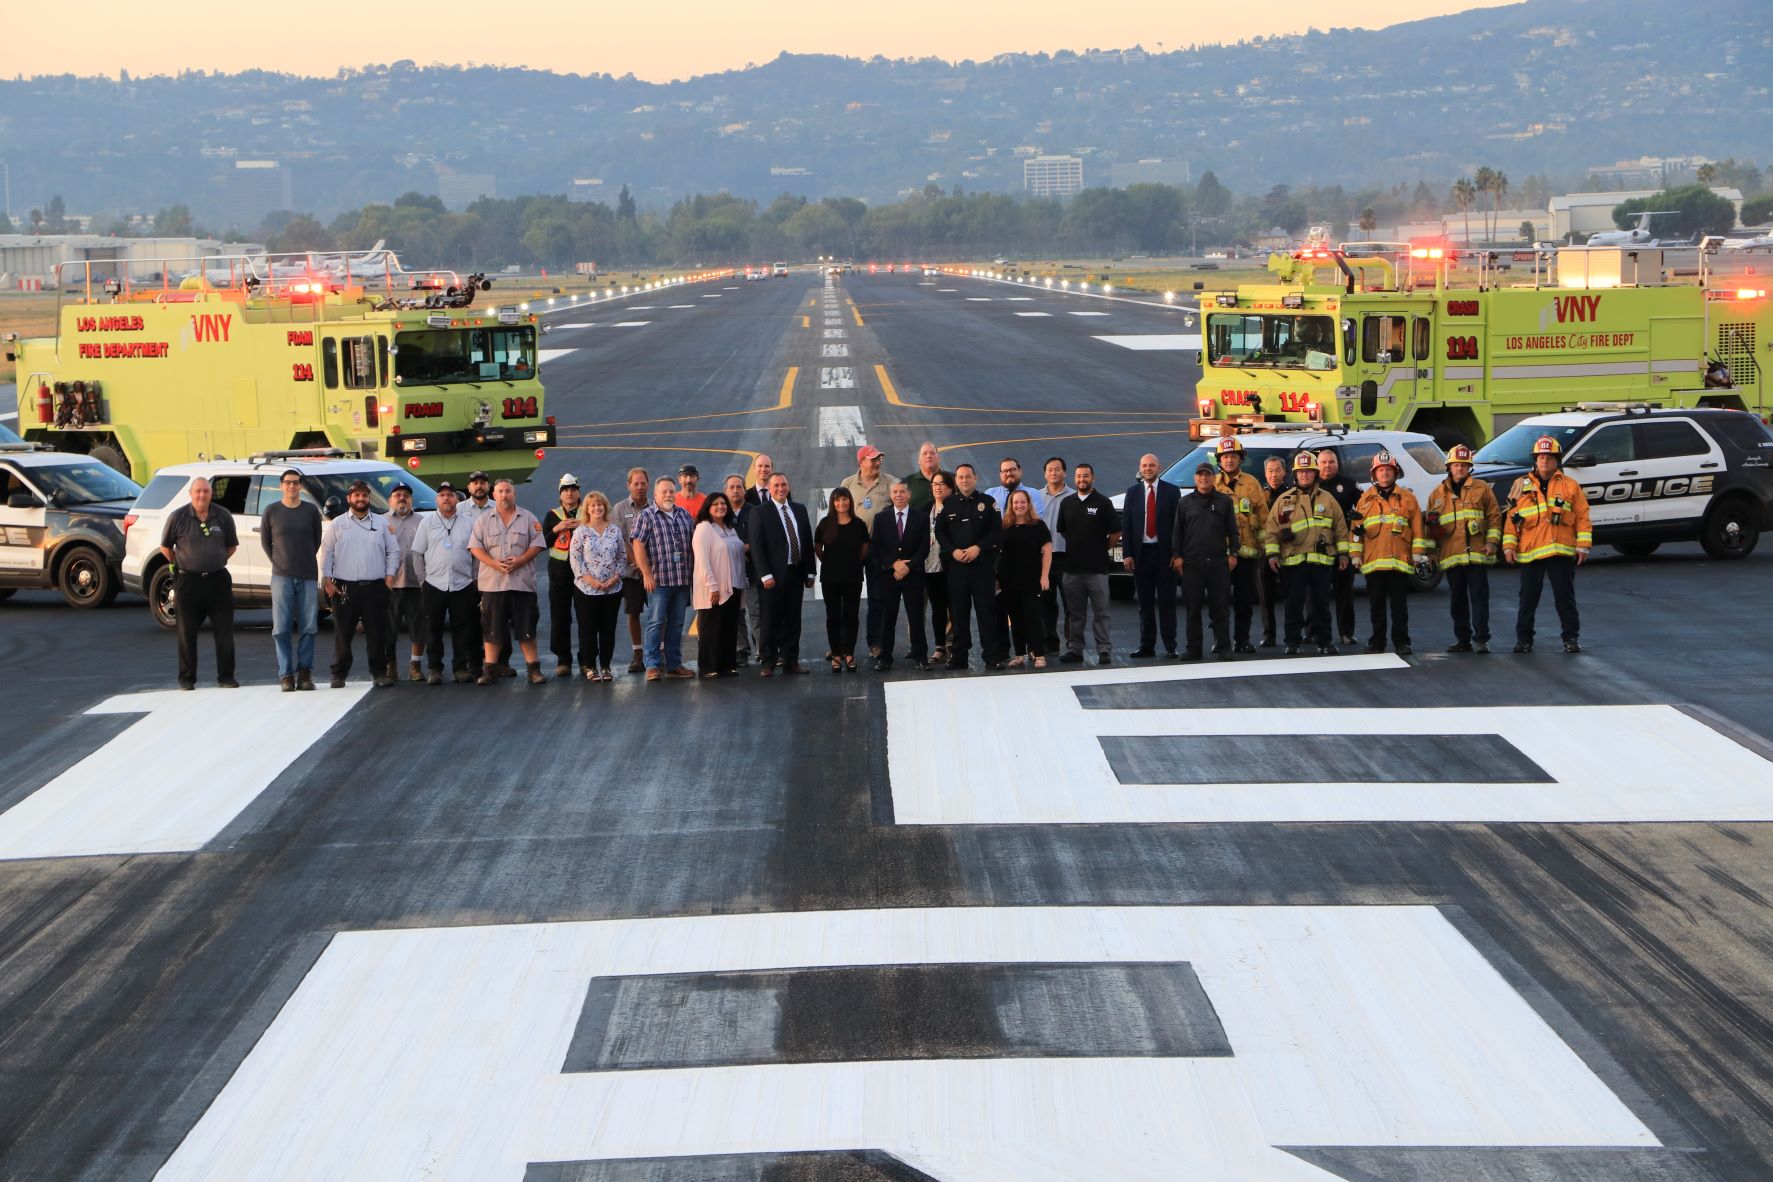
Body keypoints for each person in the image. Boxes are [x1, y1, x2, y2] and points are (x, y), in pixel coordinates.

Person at [1504, 435, 1592, 654]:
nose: (1545, 461)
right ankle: (1524, 640)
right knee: (1527, 600)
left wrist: (1583, 545)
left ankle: (1571, 638)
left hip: (1560, 551)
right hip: (1531, 552)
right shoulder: (1519, 485)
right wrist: (1508, 546)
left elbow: (1582, 516)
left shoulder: (1570, 485)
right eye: (1541, 457)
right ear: (1535, 459)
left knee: (1565, 599)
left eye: (1549, 457)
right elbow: (1511, 518)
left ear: (1557, 461)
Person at [159, 476, 240, 690]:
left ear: (211, 494)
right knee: (186, 633)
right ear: (191, 494)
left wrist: (216, 560)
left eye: (206, 491)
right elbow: (165, 547)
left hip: (218, 581)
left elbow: (231, 546)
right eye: (198, 491)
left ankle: (226, 677)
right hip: (188, 582)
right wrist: (182, 563)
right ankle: (187, 679)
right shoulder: (177, 517)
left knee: (224, 632)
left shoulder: (222, 516)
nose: (202, 495)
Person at [1266, 453, 1350, 656]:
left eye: (1308, 471)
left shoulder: (1328, 499)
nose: (1304, 475)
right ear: (1295, 475)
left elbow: (1340, 528)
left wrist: (1343, 554)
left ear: (1315, 473)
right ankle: (1292, 642)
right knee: (1293, 604)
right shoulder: (1284, 500)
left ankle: (1325, 641)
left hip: (1321, 561)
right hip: (1294, 562)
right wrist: (1272, 555)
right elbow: (1271, 530)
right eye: (1301, 472)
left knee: (1321, 604)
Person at [321, 479, 400, 688]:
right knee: (343, 633)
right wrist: (327, 580)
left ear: (368, 498)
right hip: (344, 587)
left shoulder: (381, 523)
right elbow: (327, 552)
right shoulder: (338, 524)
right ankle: (338, 674)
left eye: (364, 495)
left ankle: (379, 673)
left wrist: (390, 577)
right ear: (349, 498)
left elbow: (393, 550)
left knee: (377, 633)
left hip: (375, 587)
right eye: (356, 495)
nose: (361, 498)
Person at [467, 478, 547, 685]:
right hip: (493, 585)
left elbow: (538, 544)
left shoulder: (528, 518)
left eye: (508, 491)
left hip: (522, 584)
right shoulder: (483, 520)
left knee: (526, 629)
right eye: (500, 491)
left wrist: (520, 561)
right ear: (494, 495)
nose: (504, 495)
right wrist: (493, 564)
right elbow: (475, 547)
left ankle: (534, 670)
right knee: (491, 630)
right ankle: (490, 670)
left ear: (514, 494)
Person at [1351, 451, 1429, 656]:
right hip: (1374, 562)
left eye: (1388, 470)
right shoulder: (1365, 500)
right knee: (1376, 606)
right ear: (1374, 474)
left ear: (1395, 473)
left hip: (1399, 561)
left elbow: (1418, 529)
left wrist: (1418, 554)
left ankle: (1402, 642)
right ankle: (1377, 641)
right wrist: (1355, 555)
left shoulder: (1408, 499)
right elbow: (1356, 530)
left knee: (1399, 606)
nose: (1384, 473)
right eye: (1380, 470)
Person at [1427, 443, 1501, 654]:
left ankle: (1481, 640)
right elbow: (1429, 527)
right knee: (1457, 601)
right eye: (1456, 465)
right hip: (1451, 555)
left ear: (1469, 467)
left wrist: (1491, 543)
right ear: (1449, 467)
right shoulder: (1437, 494)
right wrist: (1430, 553)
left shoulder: (1482, 488)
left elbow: (1494, 517)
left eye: (1464, 465)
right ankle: (1462, 639)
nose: (1460, 468)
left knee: (1479, 599)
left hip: (1477, 554)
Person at [935, 463, 1006, 671]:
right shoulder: (948, 504)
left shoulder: (988, 502)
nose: (964, 480)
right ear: (956, 481)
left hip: (982, 567)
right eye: (960, 477)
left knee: (987, 612)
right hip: (957, 568)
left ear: (975, 478)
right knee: (958, 613)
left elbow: (997, 532)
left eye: (968, 476)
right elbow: (940, 532)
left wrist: (979, 548)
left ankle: (992, 656)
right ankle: (959, 656)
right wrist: (952, 551)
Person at [260, 467, 322, 691]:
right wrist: (280, 562)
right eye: (287, 482)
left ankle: (305, 674)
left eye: (295, 482)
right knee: (281, 628)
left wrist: (302, 559)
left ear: (301, 486)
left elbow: (316, 541)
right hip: (281, 577)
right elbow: (266, 542)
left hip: (307, 575)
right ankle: (286, 675)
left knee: (309, 627)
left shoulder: (311, 511)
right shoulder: (271, 511)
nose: (292, 486)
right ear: (281, 485)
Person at [631, 476, 697, 681]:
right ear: (655, 495)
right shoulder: (647, 516)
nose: (668, 495)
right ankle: (652, 665)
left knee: (677, 624)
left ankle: (674, 665)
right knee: (656, 622)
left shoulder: (684, 515)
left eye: (671, 491)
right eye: (664, 492)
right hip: (659, 582)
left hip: (682, 581)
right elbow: (638, 544)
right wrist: (647, 574)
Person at [750, 471, 816, 676]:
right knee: (770, 620)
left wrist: (810, 572)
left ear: (788, 487)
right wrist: (765, 574)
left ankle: (791, 661)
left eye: (783, 485)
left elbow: (806, 541)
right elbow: (756, 546)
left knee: (793, 620)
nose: (780, 488)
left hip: (795, 572)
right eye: (776, 485)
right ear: (769, 489)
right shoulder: (760, 512)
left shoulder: (799, 509)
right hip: (772, 577)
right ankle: (768, 662)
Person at [412, 481, 478, 684]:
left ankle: (460, 668)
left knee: (462, 628)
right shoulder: (427, 523)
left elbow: (476, 553)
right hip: (434, 584)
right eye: (442, 495)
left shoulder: (468, 522)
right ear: (437, 500)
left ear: (457, 499)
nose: (446, 498)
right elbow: (417, 554)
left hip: (462, 584)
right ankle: (434, 669)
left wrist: (474, 579)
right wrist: (423, 581)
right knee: (433, 628)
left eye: (450, 495)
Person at [1171, 463, 1239, 660]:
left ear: (1213, 478)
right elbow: (1177, 532)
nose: (1204, 478)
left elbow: (1232, 530)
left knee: (1221, 609)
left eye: (1207, 475)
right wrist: (1177, 556)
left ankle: (1224, 648)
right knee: (1193, 609)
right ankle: (1194, 649)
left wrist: (1233, 553)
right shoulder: (1184, 503)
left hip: (1218, 563)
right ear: (1195, 478)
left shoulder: (1224, 501)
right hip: (1192, 564)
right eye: (1200, 475)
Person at [1057, 462, 1120, 666]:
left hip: (1097, 569)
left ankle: (1104, 650)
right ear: (1074, 478)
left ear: (1092, 478)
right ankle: (1075, 650)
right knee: (1075, 614)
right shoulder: (1067, 503)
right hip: (1072, 569)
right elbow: (1063, 531)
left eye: (1085, 476)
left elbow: (1116, 532)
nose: (1082, 480)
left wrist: (1101, 547)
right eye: (1078, 476)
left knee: (1101, 613)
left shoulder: (1103, 503)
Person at [1210, 438, 1269, 655]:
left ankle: (1242, 640)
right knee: (1219, 601)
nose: (1229, 460)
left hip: (1247, 554)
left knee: (1244, 601)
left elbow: (1263, 518)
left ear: (1240, 459)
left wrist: (1265, 548)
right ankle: (1220, 640)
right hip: (1219, 555)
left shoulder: (1252, 483)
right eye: (1225, 457)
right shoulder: (1212, 484)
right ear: (1219, 460)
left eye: (1233, 456)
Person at [1121, 453, 1180, 659]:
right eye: (1145, 465)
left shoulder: (1172, 491)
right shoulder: (1133, 492)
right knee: (1145, 604)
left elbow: (1178, 525)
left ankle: (1170, 646)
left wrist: (1176, 552)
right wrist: (1127, 554)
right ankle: (1147, 646)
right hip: (1141, 555)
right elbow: (1127, 525)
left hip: (1165, 555)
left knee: (1167, 602)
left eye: (1152, 465)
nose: (1148, 469)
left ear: (1158, 467)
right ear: (1140, 468)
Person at [985, 456, 1043, 660]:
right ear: (1000, 474)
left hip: (1026, 563)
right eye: (1004, 471)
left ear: (1020, 471)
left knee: (1030, 610)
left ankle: (1035, 649)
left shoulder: (1033, 494)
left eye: (1012, 470)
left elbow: (1034, 522)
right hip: (1000, 562)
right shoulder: (990, 494)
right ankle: (1005, 650)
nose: (1008, 474)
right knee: (1001, 608)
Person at [840, 445, 894, 659]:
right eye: (873, 459)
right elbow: (838, 514)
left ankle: (876, 642)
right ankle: (842, 645)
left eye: (879, 458)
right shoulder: (847, 483)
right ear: (861, 462)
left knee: (877, 596)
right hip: (853, 549)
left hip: (878, 548)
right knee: (847, 597)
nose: (878, 462)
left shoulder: (890, 482)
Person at [871, 480, 931, 671]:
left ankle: (921, 657)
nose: (898, 495)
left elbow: (924, 547)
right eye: (895, 492)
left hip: (913, 575)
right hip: (889, 576)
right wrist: (893, 564)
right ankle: (885, 658)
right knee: (887, 618)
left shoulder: (921, 518)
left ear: (909, 494)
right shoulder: (881, 518)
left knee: (916, 617)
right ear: (891, 495)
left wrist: (908, 566)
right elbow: (877, 546)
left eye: (902, 491)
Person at [569, 490, 627, 681]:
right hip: (586, 590)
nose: (597, 508)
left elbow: (622, 556)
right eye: (593, 505)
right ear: (587, 509)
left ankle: (605, 665)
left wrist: (615, 578)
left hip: (612, 589)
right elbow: (575, 559)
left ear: (605, 507)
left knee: (608, 628)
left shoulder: (614, 530)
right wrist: (591, 581)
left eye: (600, 504)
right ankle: (590, 666)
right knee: (588, 629)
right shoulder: (581, 531)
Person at [457, 469, 508, 678]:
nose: (479, 486)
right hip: (468, 577)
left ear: (489, 487)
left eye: (482, 482)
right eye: (475, 483)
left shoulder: (499, 507)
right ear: (469, 487)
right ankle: (475, 664)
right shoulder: (459, 509)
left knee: (498, 621)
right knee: (471, 624)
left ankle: (501, 663)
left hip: (495, 576)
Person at [690, 493, 747, 678]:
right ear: (708, 508)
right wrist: (712, 586)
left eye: (723, 503)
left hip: (733, 585)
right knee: (711, 627)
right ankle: (708, 667)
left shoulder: (730, 528)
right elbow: (702, 560)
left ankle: (727, 665)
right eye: (715, 504)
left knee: (729, 626)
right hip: (714, 587)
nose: (720, 506)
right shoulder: (704, 529)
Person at [814, 486, 870, 672]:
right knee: (833, 616)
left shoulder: (859, 524)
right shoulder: (825, 523)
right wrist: (830, 562)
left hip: (853, 577)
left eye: (844, 499)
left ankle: (849, 653)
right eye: (837, 500)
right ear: (833, 503)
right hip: (830, 578)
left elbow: (864, 548)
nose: (841, 503)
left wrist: (852, 563)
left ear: (850, 501)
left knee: (851, 615)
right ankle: (836, 655)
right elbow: (818, 547)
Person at [997, 489, 1053, 669]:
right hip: (1009, 581)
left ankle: (1039, 655)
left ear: (1028, 504)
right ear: (1010, 505)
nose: (1019, 505)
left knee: (1033, 617)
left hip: (1032, 580)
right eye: (1015, 502)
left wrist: (1044, 576)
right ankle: (1019, 654)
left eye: (1022, 502)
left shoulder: (1038, 525)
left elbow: (1047, 552)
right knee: (1015, 618)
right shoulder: (1004, 526)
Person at [1316, 449, 1362, 646]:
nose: (1327, 465)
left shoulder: (1349, 484)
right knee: (1315, 594)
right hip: (1318, 548)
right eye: (1323, 462)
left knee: (1344, 593)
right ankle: (1312, 631)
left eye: (1331, 462)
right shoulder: (1310, 483)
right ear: (1317, 464)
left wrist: (1358, 520)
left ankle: (1346, 633)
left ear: (1337, 464)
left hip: (1343, 547)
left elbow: (1366, 506)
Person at [542, 473, 585, 677]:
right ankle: (563, 660)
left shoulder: (587, 512)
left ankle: (586, 659)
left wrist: (583, 525)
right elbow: (542, 543)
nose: (569, 493)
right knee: (560, 618)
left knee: (586, 618)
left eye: (573, 490)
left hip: (584, 574)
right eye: (566, 490)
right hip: (559, 575)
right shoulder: (553, 515)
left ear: (578, 493)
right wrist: (556, 529)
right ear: (560, 495)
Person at [383, 483, 427, 682]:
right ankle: (390, 665)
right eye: (397, 495)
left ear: (411, 500)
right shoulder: (381, 522)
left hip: (416, 584)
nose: (402, 498)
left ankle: (415, 666)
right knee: (388, 628)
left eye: (406, 495)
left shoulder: (423, 522)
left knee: (418, 628)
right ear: (389, 500)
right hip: (389, 585)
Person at [612, 467, 651, 674]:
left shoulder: (655, 506)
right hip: (631, 572)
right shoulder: (620, 508)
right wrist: (637, 562)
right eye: (635, 483)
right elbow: (620, 539)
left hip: (653, 572)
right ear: (628, 485)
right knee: (633, 612)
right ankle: (638, 653)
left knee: (659, 613)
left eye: (643, 483)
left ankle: (659, 652)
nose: (639, 487)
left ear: (648, 485)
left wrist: (648, 567)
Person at [1035, 456, 1074, 655]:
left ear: (1064, 472)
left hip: (1067, 557)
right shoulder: (1036, 497)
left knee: (1071, 603)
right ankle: (1049, 643)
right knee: (1046, 604)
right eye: (1049, 470)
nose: (1053, 473)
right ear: (1045, 474)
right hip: (1044, 558)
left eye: (1057, 469)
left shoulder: (1074, 496)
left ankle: (1072, 643)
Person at [741, 454, 776, 659]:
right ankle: (763, 650)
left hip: (776, 562)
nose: (763, 470)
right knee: (755, 611)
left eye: (767, 466)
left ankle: (776, 648)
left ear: (772, 468)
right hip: (754, 564)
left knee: (775, 609)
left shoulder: (781, 492)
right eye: (760, 466)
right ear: (754, 469)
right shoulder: (747, 496)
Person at [1258, 454, 1290, 647]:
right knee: (1265, 597)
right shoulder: (1260, 495)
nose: (1274, 475)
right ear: (1265, 473)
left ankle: (1290, 634)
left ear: (1284, 472)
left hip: (1287, 551)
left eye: (1278, 470)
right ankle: (1269, 635)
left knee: (1290, 596)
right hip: (1264, 553)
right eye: (1270, 471)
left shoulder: (1292, 495)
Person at [723, 473, 755, 664]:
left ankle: (764, 649)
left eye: (739, 487)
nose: (735, 490)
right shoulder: (720, 512)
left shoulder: (754, 512)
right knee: (736, 611)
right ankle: (741, 649)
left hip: (752, 568)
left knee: (757, 611)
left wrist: (744, 547)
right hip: (729, 570)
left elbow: (759, 536)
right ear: (725, 491)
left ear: (744, 489)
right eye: (731, 487)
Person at [924, 473, 954, 665]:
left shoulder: (956, 507)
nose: (938, 487)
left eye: (942, 484)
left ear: (951, 487)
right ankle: (940, 647)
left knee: (955, 608)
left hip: (951, 566)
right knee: (938, 609)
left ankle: (955, 647)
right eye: (935, 484)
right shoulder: (926, 508)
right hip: (930, 565)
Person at [904, 441, 945, 511]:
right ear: (919, 460)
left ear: (939, 458)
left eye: (932, 453)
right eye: (924, 453)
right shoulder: (906, 483)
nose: (928, 456)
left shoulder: (952, 479)